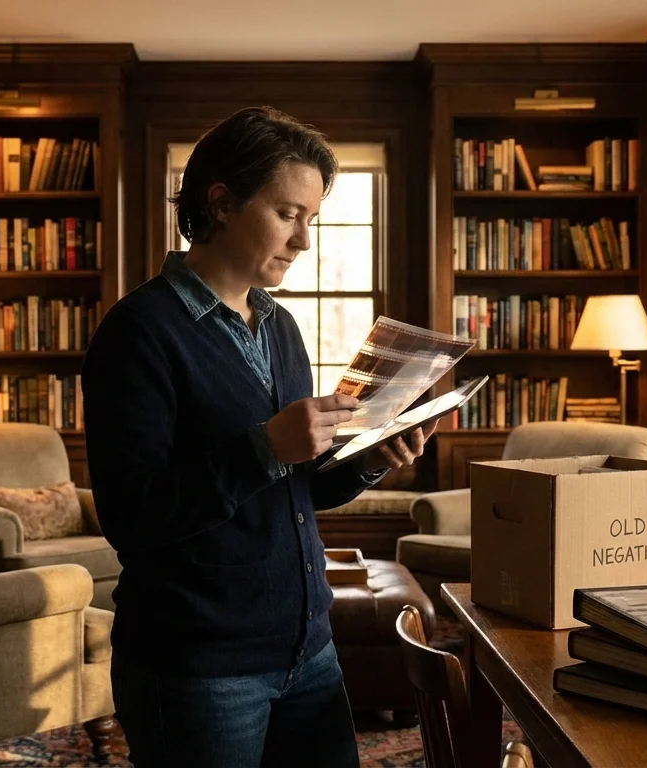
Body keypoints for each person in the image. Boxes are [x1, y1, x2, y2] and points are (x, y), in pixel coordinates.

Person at [81, 105, 436, 768]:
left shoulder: (280, 329)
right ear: (220, 202)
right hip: (198, 668)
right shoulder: (138, 334)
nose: (304, 240)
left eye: (312, 219)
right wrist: (264, 448)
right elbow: (133, 518)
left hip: (309, 651)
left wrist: (366, 461)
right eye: (287, 214)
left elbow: (298, 489)